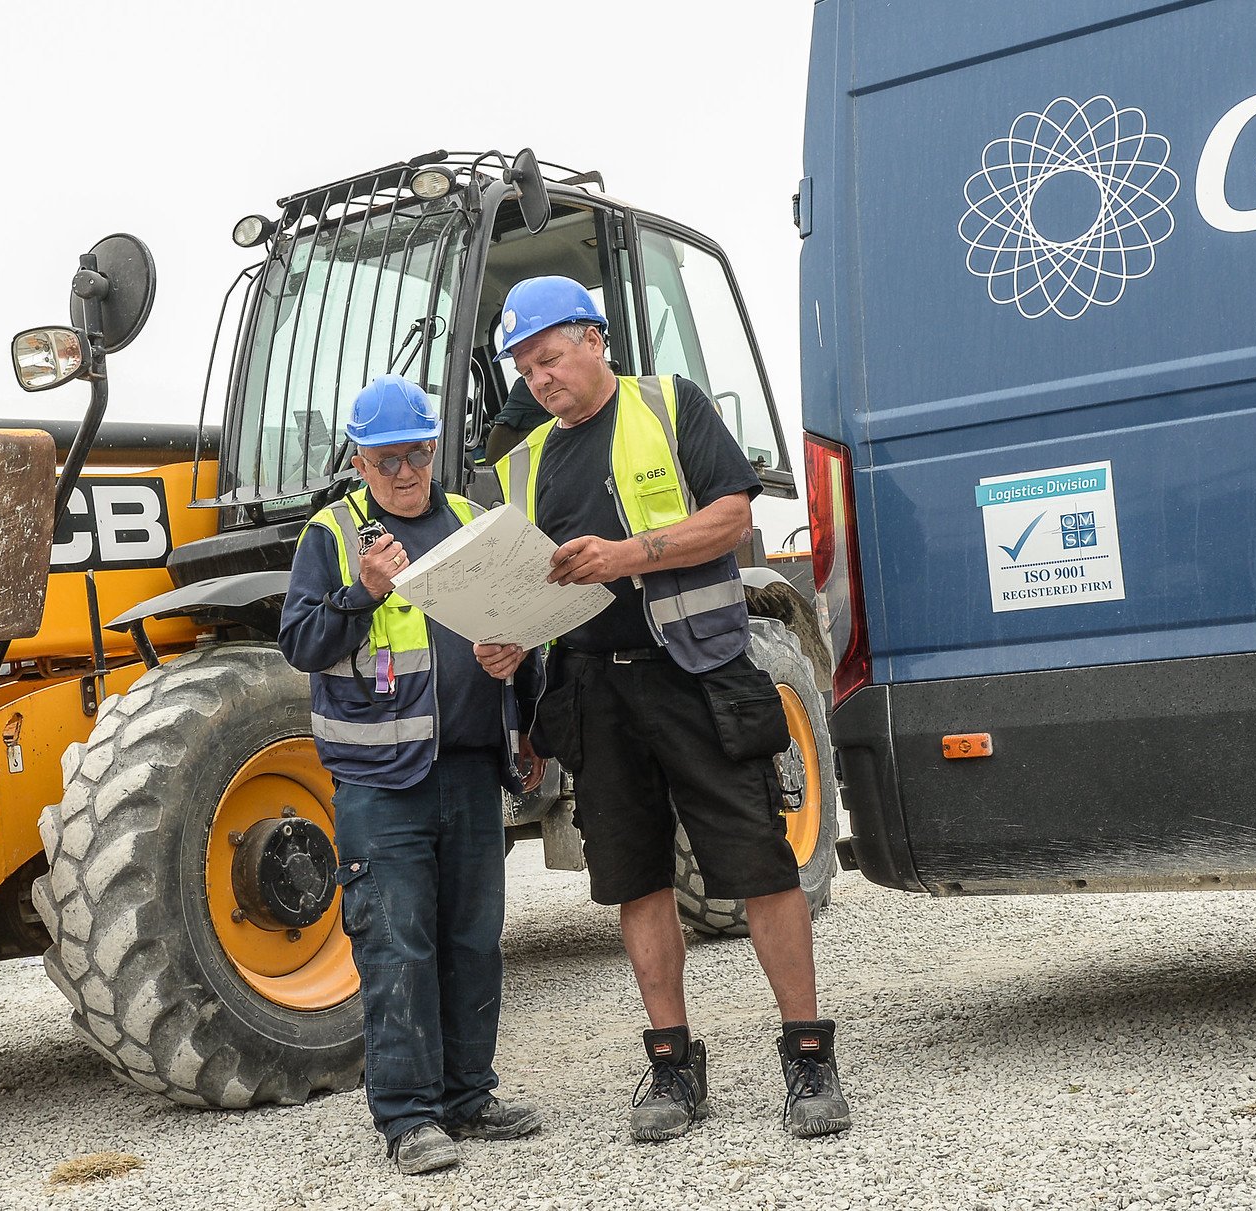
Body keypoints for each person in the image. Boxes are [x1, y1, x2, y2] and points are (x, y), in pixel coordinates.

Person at [490, 276, 853, 1142]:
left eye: (549, 358)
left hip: (694, 673)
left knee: (758, 862)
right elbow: (518, 582)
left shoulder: (669, 404)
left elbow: (730, 516)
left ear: (594, 338)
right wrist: (507, 644)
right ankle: (671, 1063)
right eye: (526, 368)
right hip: (594, 691)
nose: (540, 379)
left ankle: (807, 1053)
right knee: (635, 878)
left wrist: (626, 554)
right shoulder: (525, 462)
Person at [279, 374, 546, 1175]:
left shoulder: (468, 521)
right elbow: (300, 643)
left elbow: (519, 622)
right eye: (389, 459)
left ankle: (469, 1096)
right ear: (359, 461)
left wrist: (516, 660)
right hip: (379, 783)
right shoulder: (332, 536)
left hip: (468, 769)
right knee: (396, 946)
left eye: (420, 454)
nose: (407, 472)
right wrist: (359, 595)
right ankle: (407, 1117)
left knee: (472, 942)